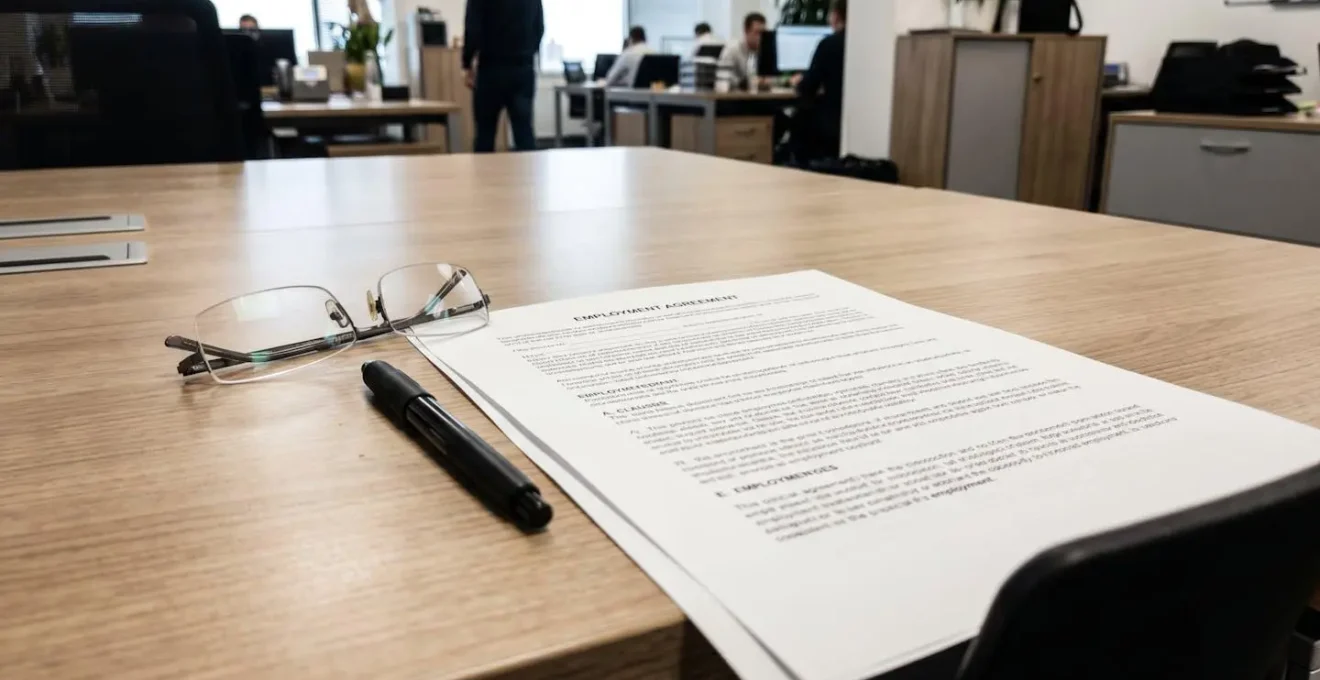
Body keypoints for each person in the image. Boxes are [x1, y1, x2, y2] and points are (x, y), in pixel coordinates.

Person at [463, 0, 545, 152]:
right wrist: (527, 53)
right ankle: (529, 167)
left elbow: (473, 29)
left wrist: (467, 64)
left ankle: (482, 168)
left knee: (485, 135)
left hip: (491, 68)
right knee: (524, 132)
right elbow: (539, 28)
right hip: (522, 68)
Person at [791, 0, 847, 159]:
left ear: (835, 16)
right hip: (849, 120)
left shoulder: (829, 44)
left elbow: (808, 86)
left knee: (799, 116)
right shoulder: (864, 44)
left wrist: (798, 81)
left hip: (829, 122)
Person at [717, 12, 766, 90]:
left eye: (764, 33)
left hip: (759, 94)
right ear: (746, 31)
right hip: (735, 95)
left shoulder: (764, 51)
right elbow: (723, 76)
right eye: (757, 33)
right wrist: (744, 82)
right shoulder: (732, 49)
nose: (761, 37)